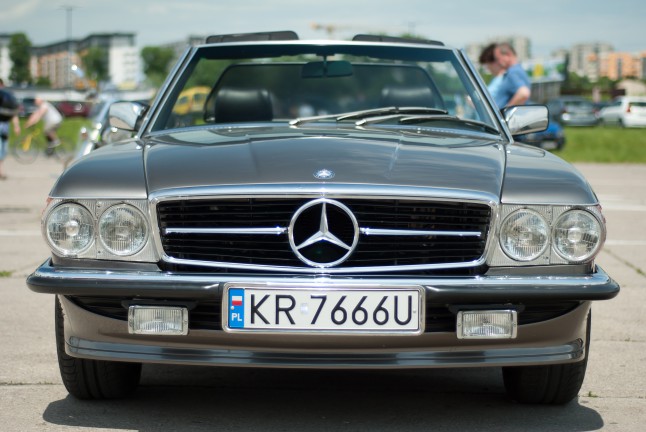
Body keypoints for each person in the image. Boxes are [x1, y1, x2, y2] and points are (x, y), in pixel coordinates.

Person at [492, 42, 531, 108]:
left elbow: (524, 93)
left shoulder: (513, 72)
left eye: (498, 59)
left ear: (508, 55)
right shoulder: (517, 70)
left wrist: (506, 110)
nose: (497, 62)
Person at [0, 79, 21, 180]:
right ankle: (1, 172)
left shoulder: (7, 98)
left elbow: (13, 113)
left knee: (4, 150)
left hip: (5, 128)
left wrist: (16, 126)